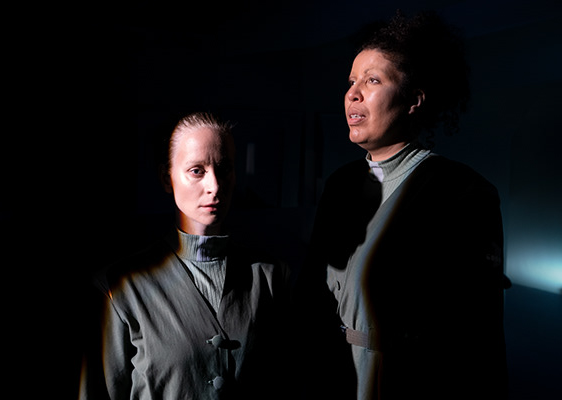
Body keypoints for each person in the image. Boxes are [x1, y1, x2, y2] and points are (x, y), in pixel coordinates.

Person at [296, 11, 508, 400]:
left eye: (372, 80)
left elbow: (480, 335)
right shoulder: (341, 186)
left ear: (414, 100)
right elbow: (312, 297)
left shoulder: (462, 193)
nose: (353, 93)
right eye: (351, 81)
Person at [79, 112, 292, 400]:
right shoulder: (119, 287)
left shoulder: (270, 278)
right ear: (167, 178)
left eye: (224, 168)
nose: (214, 186)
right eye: (197, 171)